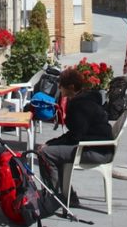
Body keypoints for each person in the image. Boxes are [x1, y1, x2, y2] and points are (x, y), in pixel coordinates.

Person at [37, 68, 113, 207]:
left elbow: (74, 136)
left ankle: (55, 196)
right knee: (54, 151)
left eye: (61, 86)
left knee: (44, 153)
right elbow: (76, 134)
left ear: (71, 87)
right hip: (102, 147)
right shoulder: (87, 97)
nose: (59, 89)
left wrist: (50, 144)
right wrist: (53, 143)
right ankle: (67, 194)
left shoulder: (79, 105)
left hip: (94, 151)